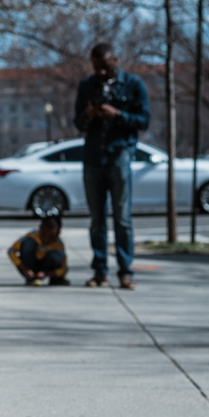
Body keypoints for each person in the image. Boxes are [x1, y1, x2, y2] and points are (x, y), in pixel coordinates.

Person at [74, 42, 150, 290]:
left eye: (105, 67)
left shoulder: (134, 84)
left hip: (120, 156)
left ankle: (126, 272)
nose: (101, 73)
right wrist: (89, 114)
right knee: (97, 219)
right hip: (93, 157)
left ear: (115, 60)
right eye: (97, 68)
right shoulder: (87, 85)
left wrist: (117, 114)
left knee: (122, 218)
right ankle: (99, 271)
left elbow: (144, 120)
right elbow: (78, 123)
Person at [8, 216, 69, 286]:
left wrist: (47, 273)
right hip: (30, 266)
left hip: (46, 268)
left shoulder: (59, 245)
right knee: (28, 244)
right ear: (41, 228)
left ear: (58, 233)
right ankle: (31, 278)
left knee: (56, 257)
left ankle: (56, 280)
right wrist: (24, 269)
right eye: (44, 234)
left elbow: (64, 268)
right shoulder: (32, 236)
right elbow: (11, 251)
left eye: (51, 236)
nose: (47, 239)